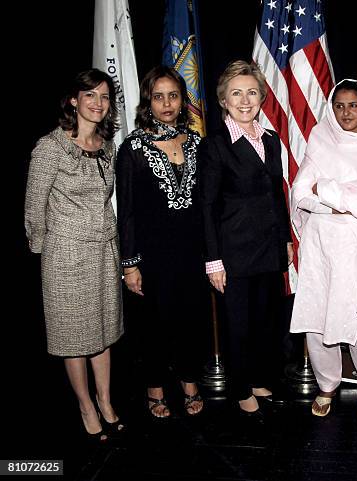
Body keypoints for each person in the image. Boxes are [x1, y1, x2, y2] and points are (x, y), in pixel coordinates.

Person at [24, 69, 124, 441]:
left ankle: (107, 401)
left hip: (103, 254)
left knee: (103, 332)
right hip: (65, 258)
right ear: (73, 100)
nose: (98, 103)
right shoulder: (50, 148)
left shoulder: (107, 145)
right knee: (74, 336)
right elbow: (34, 209)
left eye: (104, 96)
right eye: (90, 96)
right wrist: (45, 251)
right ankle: (86, 406)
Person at [290, 79, 357, 418]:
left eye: (354, 105)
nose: (346, 112)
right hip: (320, 245)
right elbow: (300, 193)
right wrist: (335, 203)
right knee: (317, 317)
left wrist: (327, 188)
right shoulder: (320, 140)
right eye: (340, 105)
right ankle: (327, 383)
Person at [198, 60, 293, 418]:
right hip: (233, 255)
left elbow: (276, 195)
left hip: (268, 250)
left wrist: (284, 239)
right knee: (237, 326)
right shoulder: (215, 145)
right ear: (223, 100)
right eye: (236, 93)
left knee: (264, 323)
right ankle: (240, 390)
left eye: (252, 92)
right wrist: (213, 261)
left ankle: (256, 380)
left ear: (261, 97)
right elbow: (206, 207)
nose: (244, 99)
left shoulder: (271, 141)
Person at [116, 66, 208, 418]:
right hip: (151, 256)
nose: (167, 103)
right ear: (147, 102)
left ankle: (189, 384)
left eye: (173, 95)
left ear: (183, 100)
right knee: (153, 325)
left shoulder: (197, 143)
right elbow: (126, 212)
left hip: (190, 254)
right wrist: (130, 264)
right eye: (159, 96)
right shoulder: (133, 148)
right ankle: (155, 390)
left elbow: (204, 204)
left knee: (191, 321)